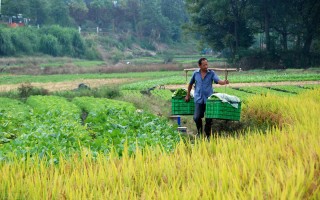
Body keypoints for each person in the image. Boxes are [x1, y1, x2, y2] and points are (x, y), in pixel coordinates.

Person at [185, 58, 229, 138]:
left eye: (207, 64)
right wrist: (188, 95)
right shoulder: (195, 73)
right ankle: (199, 132)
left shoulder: (211, 73)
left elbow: (218, 81)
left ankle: (208, 135)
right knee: (196, 117)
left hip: (209, 100)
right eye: (204, 65)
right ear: (199, 65)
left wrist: (224, 82)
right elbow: (190, 84)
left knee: (209, 119)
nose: (206, 66)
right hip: (198, 99)